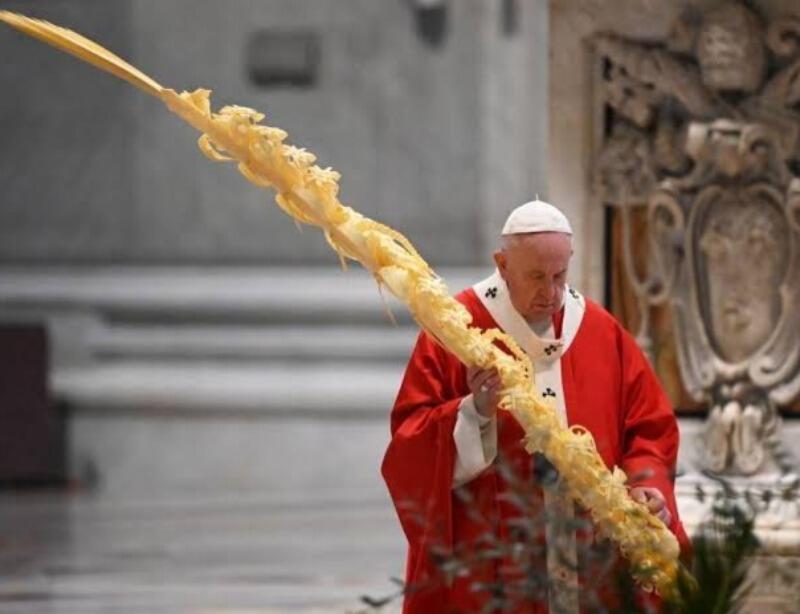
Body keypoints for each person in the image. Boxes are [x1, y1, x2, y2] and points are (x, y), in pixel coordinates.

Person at [382, 199, 689, 613]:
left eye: (560, 275)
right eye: (536, 277)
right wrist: (475, 412)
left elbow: (648, 430)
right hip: (494, 565)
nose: (551, 293)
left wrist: (646, 487)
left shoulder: (599, 330)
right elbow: (410, 445)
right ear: (502, 264)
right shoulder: (455, 327)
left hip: (588, 562)